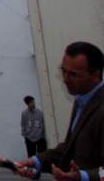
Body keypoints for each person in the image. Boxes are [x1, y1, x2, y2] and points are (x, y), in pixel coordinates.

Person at [14, 42, 104, 181]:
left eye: (73, 74)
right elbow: (70, 147)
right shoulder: (82, 99)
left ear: (96, 74)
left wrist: (83, 177)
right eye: (63, 71)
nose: (65, 80)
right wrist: (35, 162)